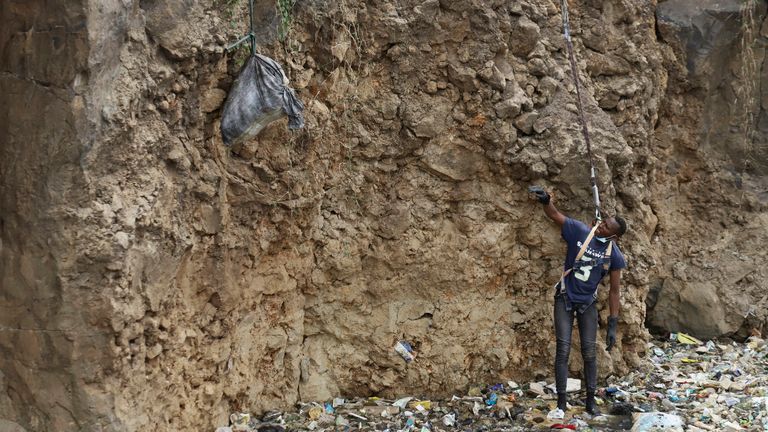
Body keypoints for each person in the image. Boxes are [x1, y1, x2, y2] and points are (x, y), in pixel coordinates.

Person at [528, 186, 627, 416]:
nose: (601, 226)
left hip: (588, 303)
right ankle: (562, 403)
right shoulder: (581, 231)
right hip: (564, 298)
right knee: (562, 350)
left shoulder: (614, 255)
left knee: (589, 352)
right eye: (603, 222)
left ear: (614, 236)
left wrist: (613, 323)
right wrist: (546, 200)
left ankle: (590, 402)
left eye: (606, 227)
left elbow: (614, 291)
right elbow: (555, 215)